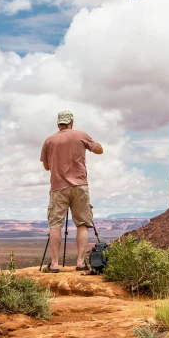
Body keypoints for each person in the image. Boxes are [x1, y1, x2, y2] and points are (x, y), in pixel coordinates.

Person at [40, 110, 104, 272]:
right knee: (82, 224)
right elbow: (99, 150)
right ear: (71, 123)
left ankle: (54, 264)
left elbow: (47, 166)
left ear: (58, 124)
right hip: (80, 186)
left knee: (55, 225)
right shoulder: (81, 135)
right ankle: (80, 262)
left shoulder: (49, 140)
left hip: (58, 187)